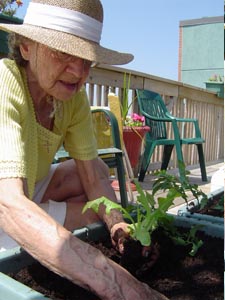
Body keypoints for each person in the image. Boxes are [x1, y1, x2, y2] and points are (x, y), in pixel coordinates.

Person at [0, 0, 168, 299]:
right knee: (39, 216)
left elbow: (93, 177)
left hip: (27, 190)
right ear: (26, 46)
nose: (79, 70)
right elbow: (8, 203)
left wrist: (119, 226)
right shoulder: (5, 83)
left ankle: (37, 225)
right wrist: (114, 281)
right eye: (63, 51)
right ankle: (31, 231)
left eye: (87, 58)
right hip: (6, 200)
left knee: (99, 187)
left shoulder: (72, 100)